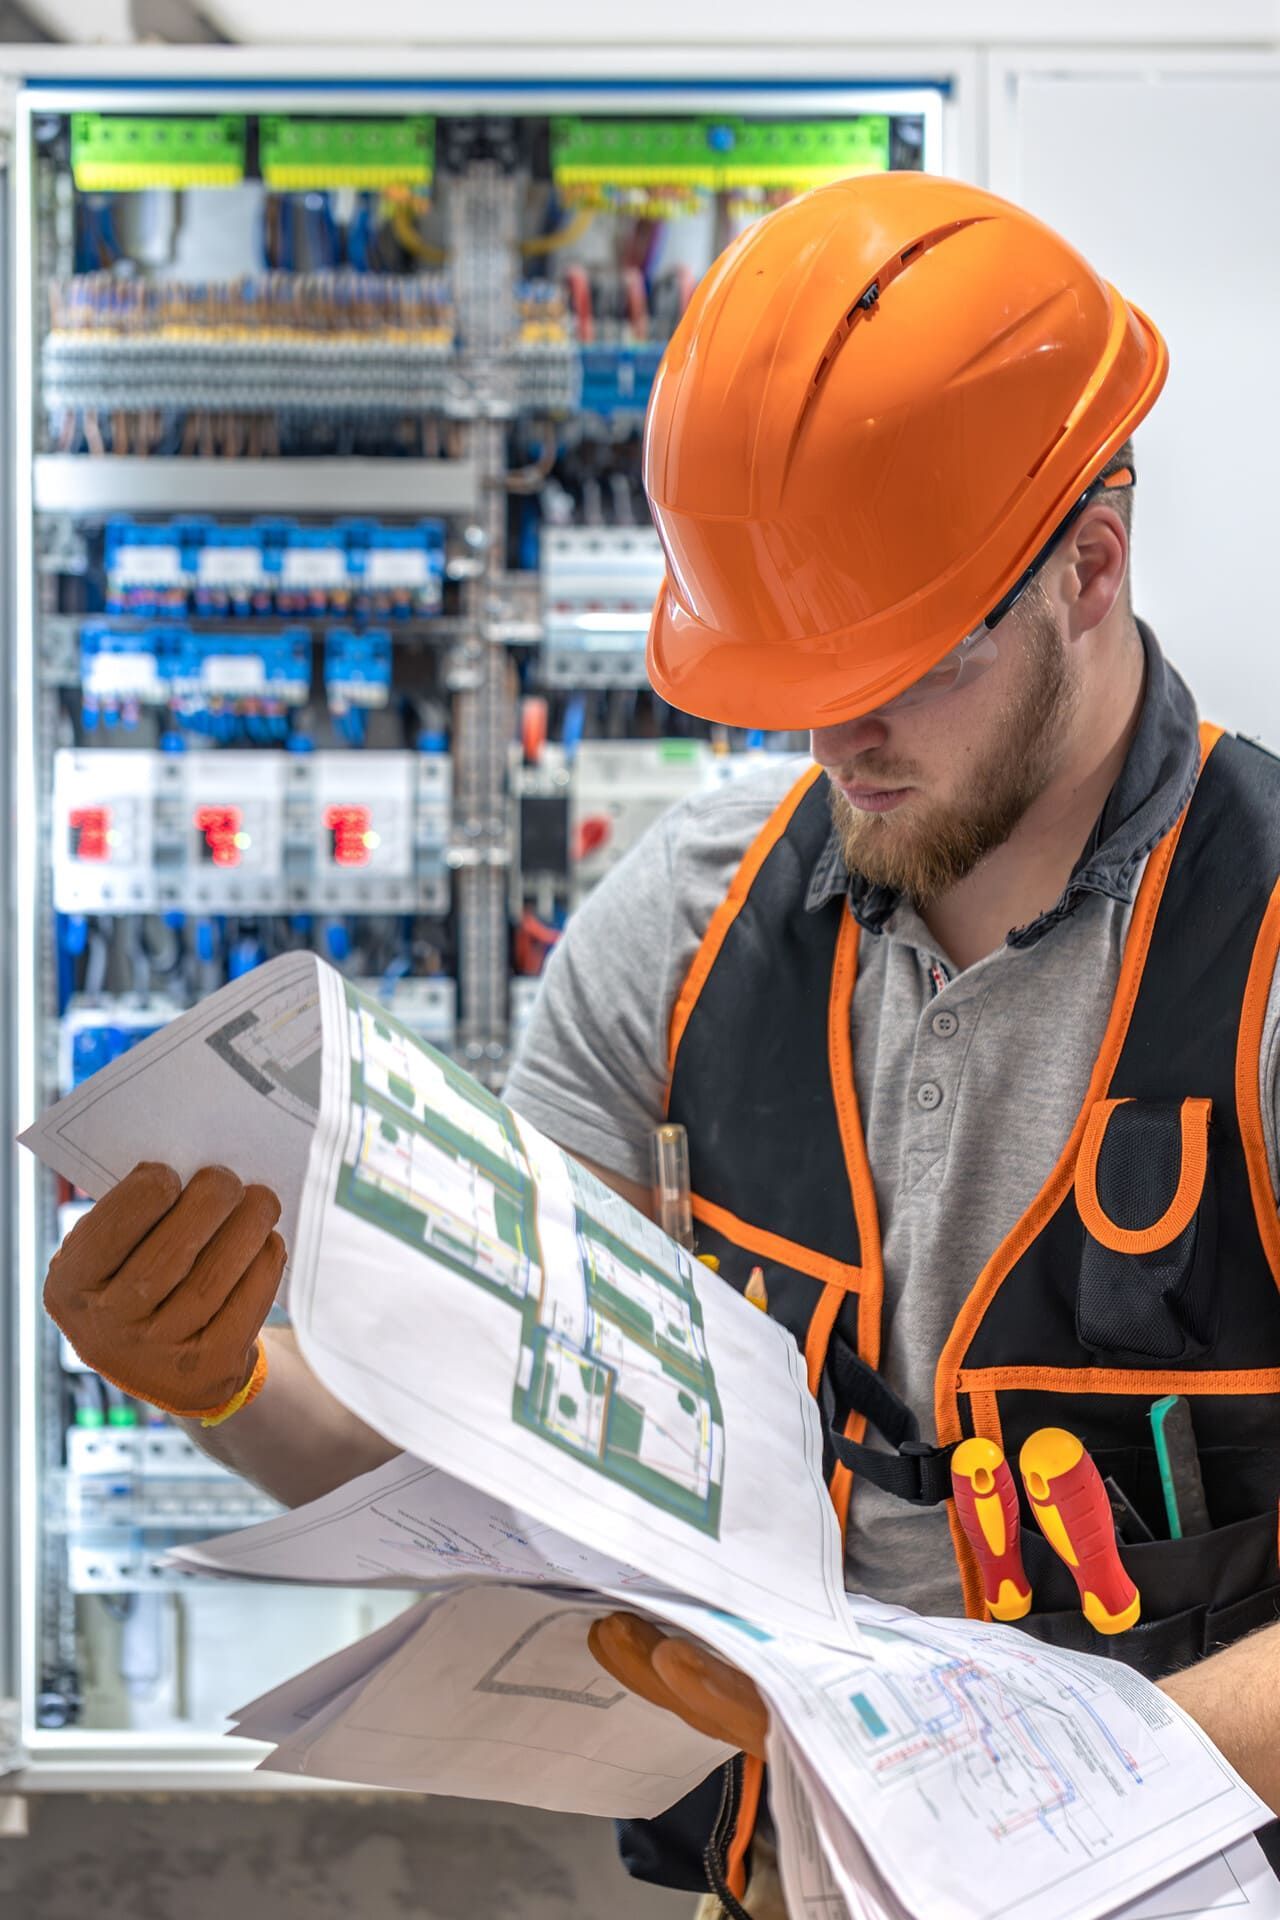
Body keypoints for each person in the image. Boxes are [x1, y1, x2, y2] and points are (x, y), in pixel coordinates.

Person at [42, 173, 1280, 1920]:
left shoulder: (1263, 955)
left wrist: (997, 1814)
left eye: (902, 664)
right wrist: (227, 1377)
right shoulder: (685, 931)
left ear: (1090, 563)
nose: (836, 740)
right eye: (792, 675)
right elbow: (491, 1468)